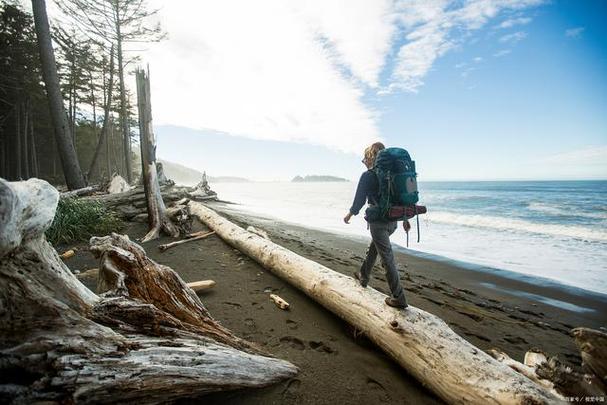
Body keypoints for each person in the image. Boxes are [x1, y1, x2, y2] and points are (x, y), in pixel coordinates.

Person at [343, 142, 409, 309]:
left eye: (365, 157)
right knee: (375, 248)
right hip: (393, 221)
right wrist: (406, 219)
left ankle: (399, 297)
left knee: (387, 259)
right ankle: (363, 276)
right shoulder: (393, 174)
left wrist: (350, 214)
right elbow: (402, 198)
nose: (364, 161)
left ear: (371, 157)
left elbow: (359, 200)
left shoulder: (368, 175)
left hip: (378, 223)